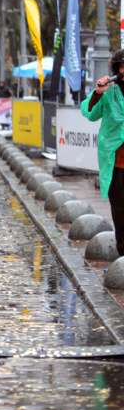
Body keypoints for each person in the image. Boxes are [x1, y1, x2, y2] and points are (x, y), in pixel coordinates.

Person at [83, 50, 124, 258]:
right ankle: (123, 258)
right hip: (116, 164)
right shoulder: (109, 90)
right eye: (122, 67)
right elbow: (89, 112)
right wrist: (98, 92)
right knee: (120, 212)